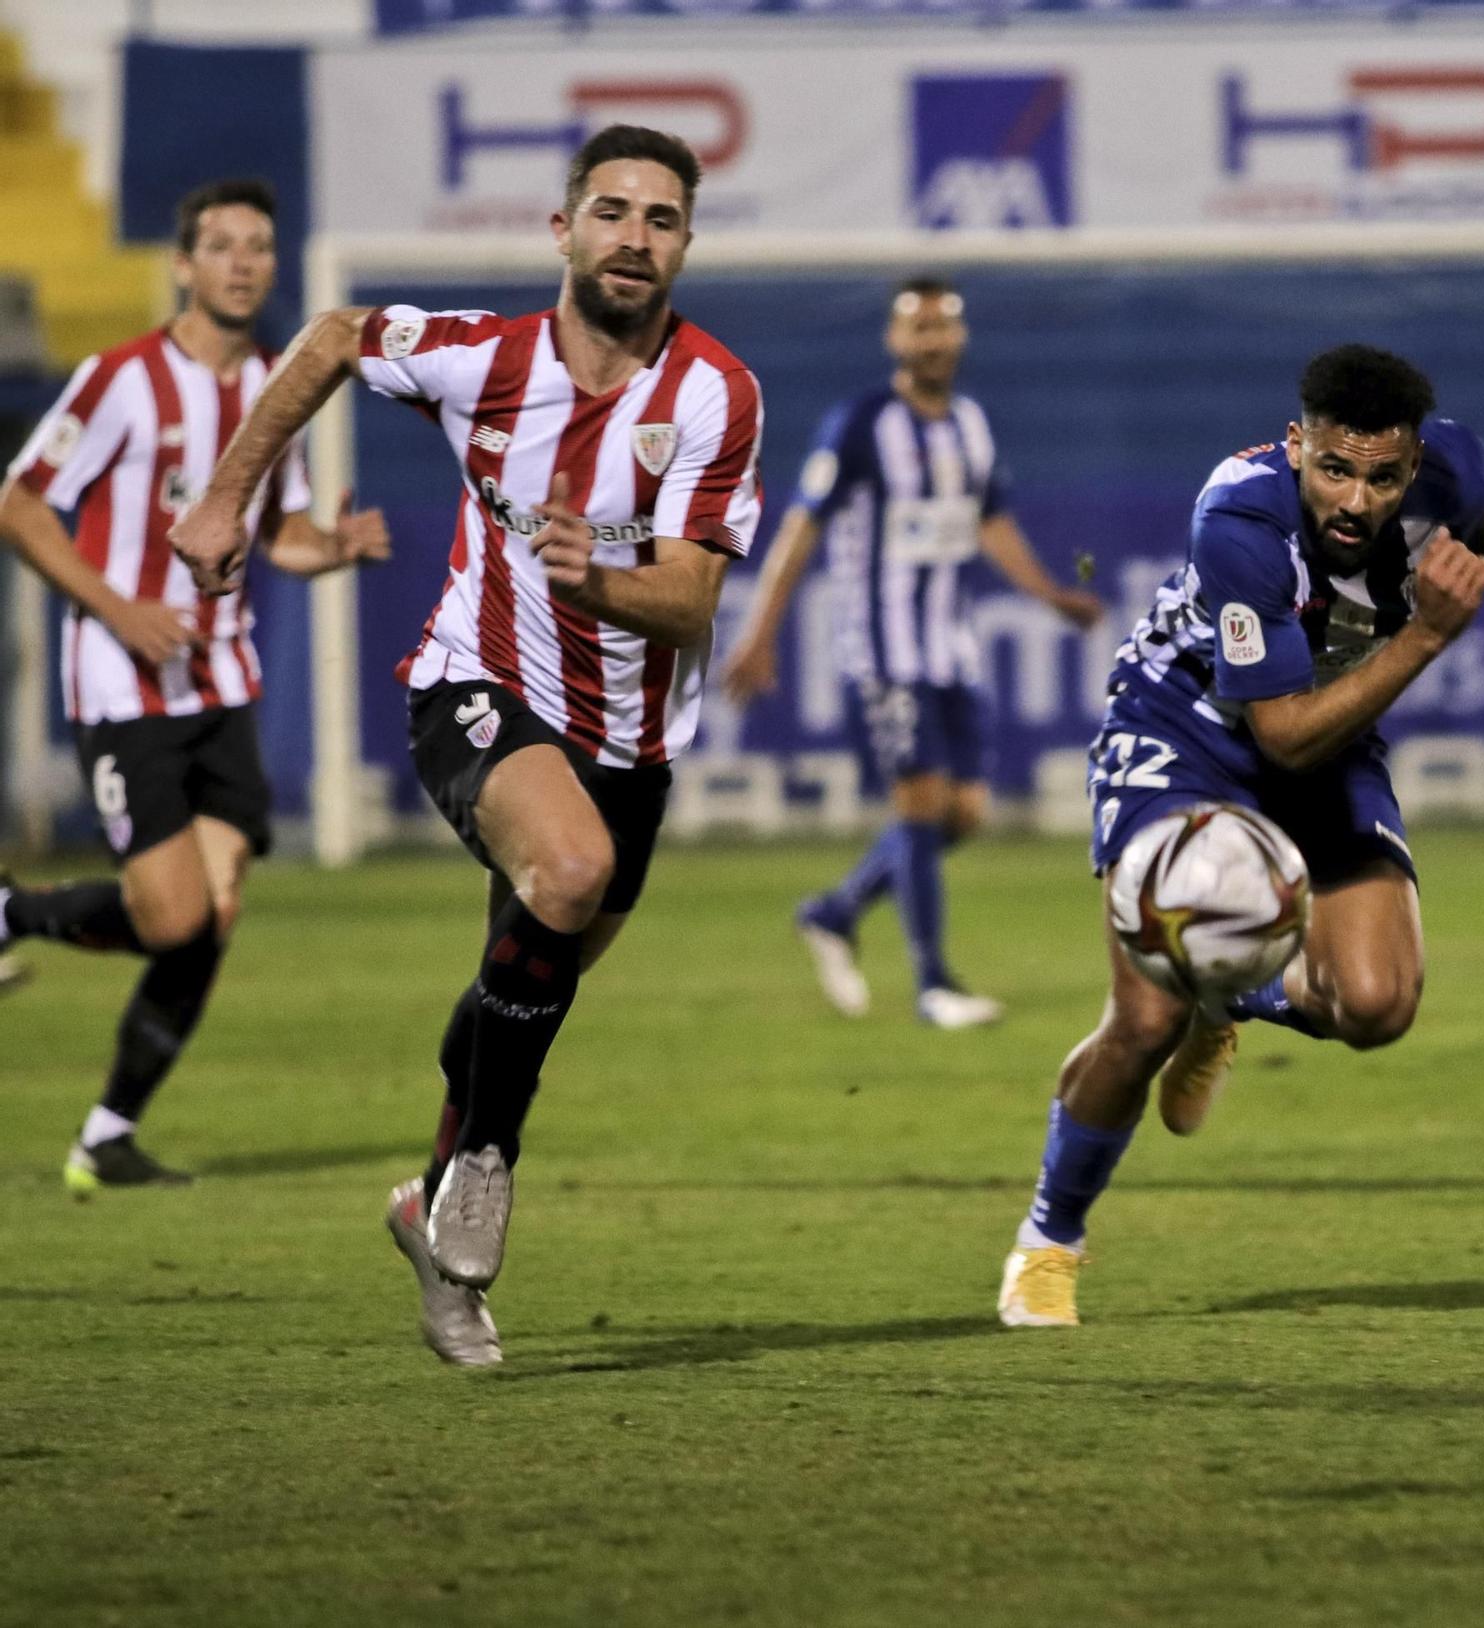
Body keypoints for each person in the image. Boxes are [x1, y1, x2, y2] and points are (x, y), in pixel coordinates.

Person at [169, 125, 764, 1365]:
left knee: (522, 988)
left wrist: (597, 575)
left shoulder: (712, 394)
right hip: (474, 686)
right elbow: (333, 335)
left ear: (685, 246)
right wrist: (226, 496)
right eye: (610, 211)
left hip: (630, 742)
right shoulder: (484, 359)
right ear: (563, 231)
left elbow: (692, 600)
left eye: (660, 220)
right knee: (569, 873)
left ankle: (430, 1212)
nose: (632, 239)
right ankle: (488, 1165)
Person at [995, 344, 1484, 1328]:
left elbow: (1470, 554)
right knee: (1141, 1021)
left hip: (1329, 728)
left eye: (1383, 476)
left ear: (1413, 465)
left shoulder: (1458, 471)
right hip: (1183, 733)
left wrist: (1436, 606)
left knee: (1377, 1002)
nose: (1356, 500)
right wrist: (1422, 637)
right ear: (1295, 442)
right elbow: (1277, 733)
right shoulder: (1239, 519)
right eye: (1334, 469)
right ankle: (1047, 1241)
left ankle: (1225, 991)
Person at [0, 178, 390, 1194]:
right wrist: (117, 607)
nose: (245, 262)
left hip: (221, 681)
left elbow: (280, 533)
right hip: (126, 684)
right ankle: (13, 912)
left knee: (209, 916)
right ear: (183, 264)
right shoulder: (122, 378)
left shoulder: (276, 384)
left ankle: (105, 1134)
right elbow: (21, 503)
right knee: (174, 919)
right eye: (222, 245)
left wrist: (332, 546)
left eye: (259, 245)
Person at [720, 278, 1101, 1028]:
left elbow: (988, 523)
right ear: (895, 342)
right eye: (917, 328)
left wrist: (1049, 596)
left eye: (942, 327)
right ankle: (933, 985)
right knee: (922, 804)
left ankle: (835, 910)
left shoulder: (971, 425)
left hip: (949, 648)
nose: (931, 340)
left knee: (964, 813)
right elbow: (803, 526)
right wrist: (760, 632)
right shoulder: (860, 424)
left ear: (959, 338)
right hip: (883, 646)